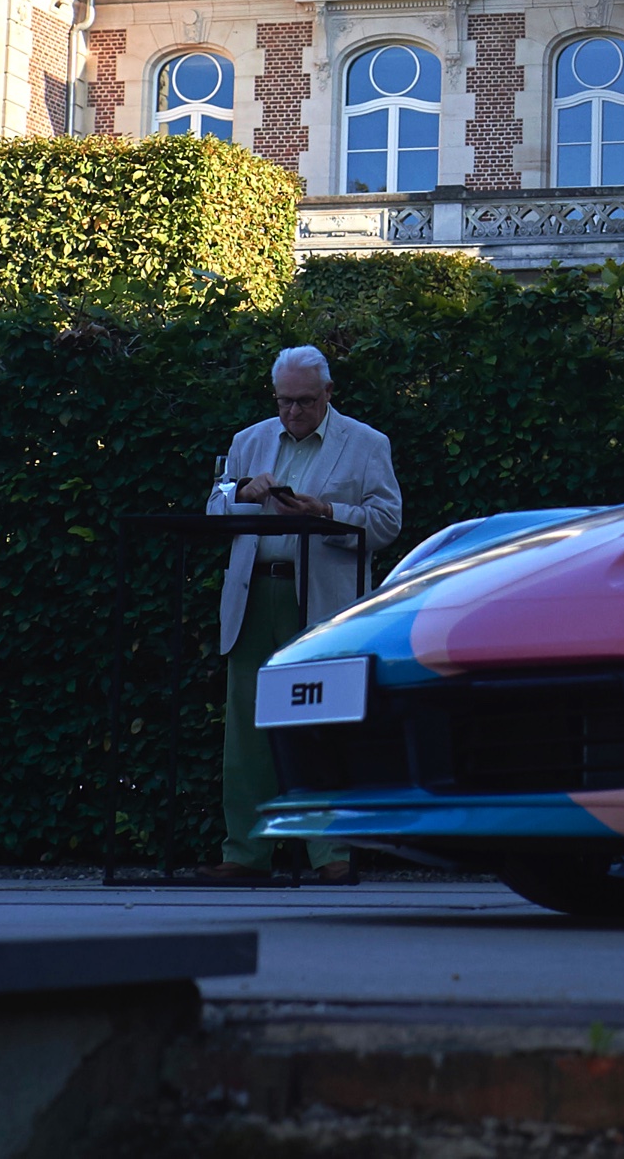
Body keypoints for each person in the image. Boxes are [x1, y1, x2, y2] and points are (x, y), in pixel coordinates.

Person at [199, 344, 400, 886]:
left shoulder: (366, 443)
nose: (293, 412)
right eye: (285, 401)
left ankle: (331, 851)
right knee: (247, 731)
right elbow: (215, 508)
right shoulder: (249, 440)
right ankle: (246, 853)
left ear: (328, 393)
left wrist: (326, 512)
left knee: (323, 723)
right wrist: (243, 492)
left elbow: (387, 523)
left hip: (322, 601)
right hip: (254, 595)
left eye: (305, 401)